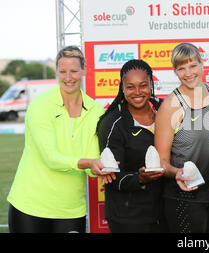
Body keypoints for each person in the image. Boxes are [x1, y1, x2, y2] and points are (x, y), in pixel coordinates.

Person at [7, 46, 111, 233]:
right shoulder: (40, 105)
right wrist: (90, 162)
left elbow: (93, 162)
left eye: (73, 71)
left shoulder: (96, 111)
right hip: (29, 206)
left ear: (84, 70)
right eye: (62, 71)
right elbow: (51, 158)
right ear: (56, 72)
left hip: (71, 210)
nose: (68, 77)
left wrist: (102, 168)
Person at [155, 43, 209, 233]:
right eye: (181, 68)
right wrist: (177, 173)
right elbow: (162, 162)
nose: (188, 73)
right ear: (175, 71)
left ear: (202, 64)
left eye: (192, 66)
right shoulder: (170, 106)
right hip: (185, 199)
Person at [96, 59, 166, 233]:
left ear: (151, 84)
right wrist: (140, 179)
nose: (137, 92)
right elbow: (112, 177)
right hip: (128, 217)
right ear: (122, 88)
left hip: (165, 212)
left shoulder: (165, 110)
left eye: (143, 85)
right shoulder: (113, 123)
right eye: (130, 86)